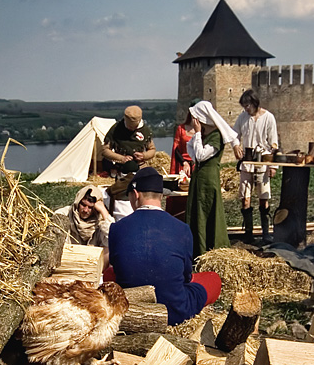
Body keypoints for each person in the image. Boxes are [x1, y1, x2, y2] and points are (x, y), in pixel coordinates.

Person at [108, 167, 221, 326]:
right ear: (161, 196)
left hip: (129, 308)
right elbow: (186, 276)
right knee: (213, 279)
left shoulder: (117, 228)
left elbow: (118, 268)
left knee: (109, 274)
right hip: (174, 312)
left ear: (136, 194)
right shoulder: (182, 228)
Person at [186, 100, 234, 257]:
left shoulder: (216, 137)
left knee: (208, 211)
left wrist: (197, 133)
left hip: (208, 179)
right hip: (198, 178)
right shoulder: (205, 135)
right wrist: (198, 136)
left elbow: (200, 155)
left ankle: (211, 247)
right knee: (197, 212)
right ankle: (197, 248)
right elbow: (191, 150)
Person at [232, 90, 279, 243]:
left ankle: (266, 233)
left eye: (247, 105)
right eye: (244, 106)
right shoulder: (242, 118)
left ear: (254, 103)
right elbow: (234, 135)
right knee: (245, 199)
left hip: (263, 162)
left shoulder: (268, 117)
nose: (246, 109)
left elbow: (274, 142)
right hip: (247, 163)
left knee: (263, 199)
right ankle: (248, 234)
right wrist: (236, 146)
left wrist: (273, 166)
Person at [101, 105, 156, 220]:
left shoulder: (145, 131)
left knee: (141, 198)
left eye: (134, 127)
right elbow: (105, 150)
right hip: (122, 173)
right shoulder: (116, 130)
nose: (131, 129)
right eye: (130, 126)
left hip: (140, 170)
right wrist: (121, 158)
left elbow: (152, 150)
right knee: (122, 199)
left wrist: (143, 156)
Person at [54, 184, 114, 266]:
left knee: (109, 247)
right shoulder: (65, 214)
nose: (85, 210)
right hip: (69, 258)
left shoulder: (100, 219)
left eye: (90, 207)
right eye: (83, 205)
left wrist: (103, 211)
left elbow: (114, 237)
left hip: (92, 261)